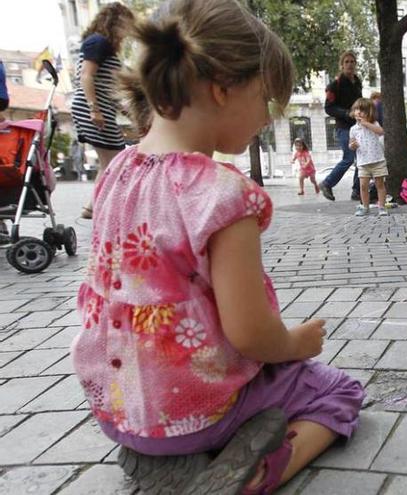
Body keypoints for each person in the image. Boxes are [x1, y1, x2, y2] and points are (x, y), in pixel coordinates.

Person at [71, 2, 364, 494]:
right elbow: (250, 334)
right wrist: (296, 343)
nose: (268, 119)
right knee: (338, 393)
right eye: (267, 101)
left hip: (118, 408)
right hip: (195, 407)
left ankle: (164, 454)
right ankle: (246, 478)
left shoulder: (116, 172)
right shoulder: (220, 195)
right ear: (223, 89)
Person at [70, 2, 134, 219]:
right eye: (127, 24)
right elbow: (86, 76)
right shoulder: (99, 42)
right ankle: (100, 207)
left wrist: (132, 115)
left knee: (110, 160)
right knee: (114, 160)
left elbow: (108, 88)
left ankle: (93, 207)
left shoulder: (103, 45)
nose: (129, 30)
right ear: (116, 21)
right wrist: (94, 109)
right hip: (91, 106)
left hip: (99, 106)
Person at [318, 50, 362, 202]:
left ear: (355, 64)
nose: (350, 64)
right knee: (349, 158)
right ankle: (327, 183)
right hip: (344, 127)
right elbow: (328, 108)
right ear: (342, 65)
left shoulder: (357, 82)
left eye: (352, 61)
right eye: (346, 62)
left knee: (361, 158)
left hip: (358, 126)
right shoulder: (334, 85)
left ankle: (357, 190)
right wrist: (345, 113)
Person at [349, 97, 388, 217]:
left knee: (379, 185)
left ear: (369, 112)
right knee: (363, 186)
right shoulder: (353, 129)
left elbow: (381, 131)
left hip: (377, 160)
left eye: (362, 110)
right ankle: (365, 207)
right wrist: (352, 145)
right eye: (357, 110)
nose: (359, 112)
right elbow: (351, 144)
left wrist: (366, 123)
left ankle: (382, 207)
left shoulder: (374, 124)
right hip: (363, 162)